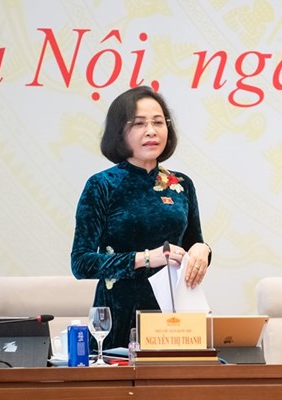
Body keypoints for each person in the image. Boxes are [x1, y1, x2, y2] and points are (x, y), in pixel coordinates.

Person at [70, 85, 212, 352]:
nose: (151, 131)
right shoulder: (102, 185)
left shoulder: (181, 184)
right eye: (139, 123)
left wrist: (203, 250)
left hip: (174, 318)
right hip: (120, 314)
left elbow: (193, 244)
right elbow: (81, 263)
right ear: (119, 132)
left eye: (158, 122)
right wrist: (147, 258)